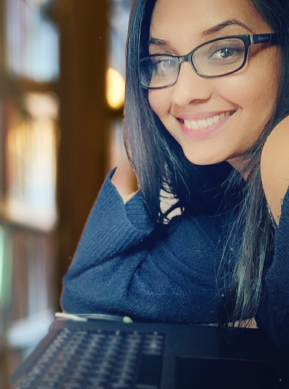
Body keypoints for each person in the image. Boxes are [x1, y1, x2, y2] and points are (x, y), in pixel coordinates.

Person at [61, 0, 289, 353]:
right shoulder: (234, 210)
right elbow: (93, 295)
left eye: (224, 51)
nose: (182, 94)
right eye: (164, 62)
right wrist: (143, 167)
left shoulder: (284, 151)